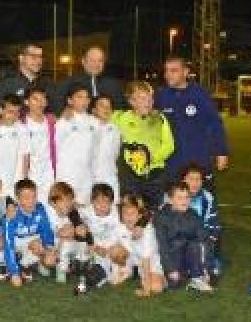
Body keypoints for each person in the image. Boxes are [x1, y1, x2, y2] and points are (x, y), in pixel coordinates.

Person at [156, 57, 229, 188]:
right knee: (174, 203)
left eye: (173, 71)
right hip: (172, 163)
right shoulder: (161, 96)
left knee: (200, 203)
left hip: (198, 161)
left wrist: (221, 152)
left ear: (185, 72)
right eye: (166, 71)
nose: (168, 75)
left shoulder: (199, 94)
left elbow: (215, 123)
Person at [112, 81, 176, 209]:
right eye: (142, 98)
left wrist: (151, 158)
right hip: (129, 175)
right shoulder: (120, 118)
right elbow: (98, 116)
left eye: (150, 98)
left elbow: (169, 145)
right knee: (131, 209)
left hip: (155, 174)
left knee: (152, 211)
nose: (148, 101)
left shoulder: (159, 118)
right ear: (131, 101)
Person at [153, 181, 214, 293]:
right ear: (170, 200)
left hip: (188, 256)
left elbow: (205, 240)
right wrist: (170, 269)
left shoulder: (193, 215)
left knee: (196, 244)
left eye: (187, 197)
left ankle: (197, 276)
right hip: (169, 258)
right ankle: (177, 275)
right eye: (180, 198)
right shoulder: (161, 217)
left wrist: (207, 269)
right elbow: (162, 246)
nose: (184, 201)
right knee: (172, 284)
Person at [76, 183, 130, 295]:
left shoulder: (118, 214)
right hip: (96, 251)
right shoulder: (88, 211)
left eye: (106, 202)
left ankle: (122, 268)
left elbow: (124, 239)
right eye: (98, 202)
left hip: (113, 250)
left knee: (118, 253)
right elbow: (74, 211)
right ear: (92, 202)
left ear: (112, 203)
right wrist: (80, 224)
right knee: (91, 275)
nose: (102, 205)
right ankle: (92, 278)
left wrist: (108, 250)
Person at [0, 179, 56, 286]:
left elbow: (46, 230)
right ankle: (12, 266)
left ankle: (33, 263)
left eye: (34, 196)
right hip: (15, 244)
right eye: (26, 198)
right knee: (5, 248)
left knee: (50, 259)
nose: (31, 201)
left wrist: (49, 248)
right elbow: (8, 243)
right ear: (18, 199)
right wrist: (14, 274)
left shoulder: (40, 209)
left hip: (30, 242)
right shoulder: (11, 215)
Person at [173, 162, 221, 280]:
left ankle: (206, 267)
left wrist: (209, 237)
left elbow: (213, 224)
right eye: (191, 179)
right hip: (178, 237)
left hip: (200, 238)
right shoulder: (172, 195)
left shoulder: (208, 198)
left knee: (204, 242)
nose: (195, 183)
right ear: (183, 180)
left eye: (198, 179)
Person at [55, 85, 98, 205]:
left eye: (87, 98)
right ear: (70, 100)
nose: (84, 101)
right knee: (67, 211)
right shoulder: (63, 121)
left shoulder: (94, 121)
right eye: (79, 97)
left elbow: (95, 151)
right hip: (67, 175)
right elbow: (55, 148)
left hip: (87, 177)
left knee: (85, 212)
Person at [0, 93, 28, 199]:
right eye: (10, 112)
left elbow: (25, 157)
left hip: (16, 183)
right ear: (1, 110)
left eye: (17, 112)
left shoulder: (22, 129)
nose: (14, 115)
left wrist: (23, 182)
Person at [52, 46, 126, 110]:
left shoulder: (113, 84)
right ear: (83, 62)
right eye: (92, 60)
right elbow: (57, 103)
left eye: (100, 61)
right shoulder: (69, 82)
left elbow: (120, 107)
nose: (96, 64)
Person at [120, 193, 165, 297]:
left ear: (140, 215)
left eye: (132, 213)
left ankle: (165, 280)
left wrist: (146, 290)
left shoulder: (147, 231)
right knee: (117, 249)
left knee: (156, 288)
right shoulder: (122, 226)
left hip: (153, 265)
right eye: (125, 213)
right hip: (139, 264)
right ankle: (130, 273)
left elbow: (146, 260)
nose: (128, 217)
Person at [44, 181, 87, 284]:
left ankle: (76, 267)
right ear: (53, 203)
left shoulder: (74, 213)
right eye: (64, 201)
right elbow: (57, 234)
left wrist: (78, 228)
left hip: (73, 247)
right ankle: (62, 269)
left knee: (75, 243)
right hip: (54, 248)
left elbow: (82, 229)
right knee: (49, 260)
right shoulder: (49, 216)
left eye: (70, 200)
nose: (68, 203)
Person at [0, 43, 51, 113]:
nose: (38, 61)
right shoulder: (6, 84)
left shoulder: (46, 84)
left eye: (40, 57)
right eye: (33, 56)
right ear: (21, 58)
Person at [21, 87, 56, 205]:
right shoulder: (20, 123)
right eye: (35, 99)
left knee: (49, 206)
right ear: (27, 102)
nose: (40, 102)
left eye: (43, 99)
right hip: (29, 173)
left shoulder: (52, 121)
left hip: (49, 173)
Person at [91, 95, 121, 202]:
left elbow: (116, 154)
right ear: (94, 110)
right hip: (89, 178)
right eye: (102, 106)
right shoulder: (86, 127)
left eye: (109, 107)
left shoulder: (116, 130)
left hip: (109, 177)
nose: (106, 109)